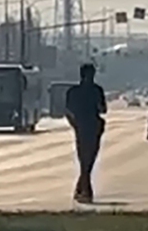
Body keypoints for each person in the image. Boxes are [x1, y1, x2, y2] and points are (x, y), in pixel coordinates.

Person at [64, 63, 106, 203]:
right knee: (88, 157)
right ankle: (85, 189)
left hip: (83, 126)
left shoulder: (73, 92)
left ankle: (82, 188)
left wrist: (74, 123)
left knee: (85, 157)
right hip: (90, 125)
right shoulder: (96, 90)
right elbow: (103, 109)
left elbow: (68, 111)